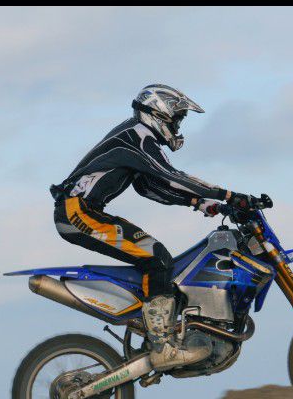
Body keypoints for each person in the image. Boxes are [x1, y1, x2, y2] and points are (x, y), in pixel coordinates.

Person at [50, 84, 253, 371]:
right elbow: (171, 176)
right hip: (77, 211)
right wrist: (229, 195)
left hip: (81, 211)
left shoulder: (136, 137)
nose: (178, 125)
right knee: (158, 260)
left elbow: (151, 188)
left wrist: (200, 203)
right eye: (177, 118)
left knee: (157, 259)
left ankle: (161, 331)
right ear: (160, 112)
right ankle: (162, 346)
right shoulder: (137, 136)